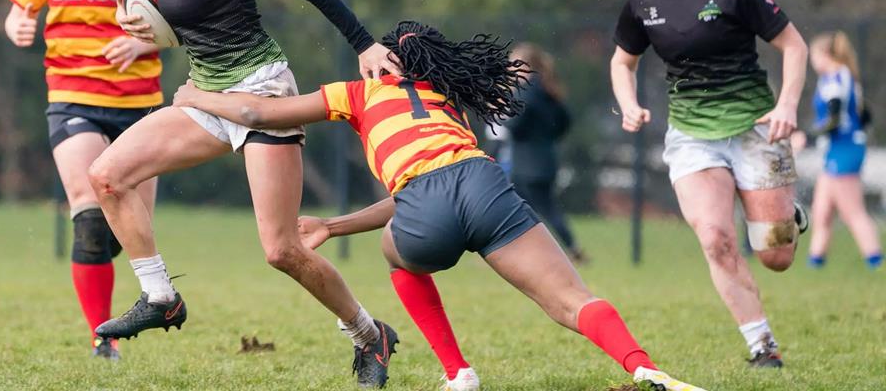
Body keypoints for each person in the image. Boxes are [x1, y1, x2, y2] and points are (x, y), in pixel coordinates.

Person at [172, 20, 709, 391]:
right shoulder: (444, 97)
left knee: (396, 254)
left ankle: (458, 372)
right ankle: (643, 368)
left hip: (425, 206)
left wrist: (197, 97)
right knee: (570, 299)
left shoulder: (358, 93)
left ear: (383, 60)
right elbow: (433, 182)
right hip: (485, 186)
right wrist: (334, 227)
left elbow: (260, 113)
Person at [87, 0, 401, 388]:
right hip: (205, 96)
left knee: (281, 250)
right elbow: (188, 15)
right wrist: (147, 34)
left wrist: (364, 44)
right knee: (107, 176)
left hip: (263, 89)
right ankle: (160, 295)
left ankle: (371, 336)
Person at [610, 0, 810, 368]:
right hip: (692, 136)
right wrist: (629, 104)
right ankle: (762, 347)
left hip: (755, 129)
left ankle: (790, 215)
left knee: (776, 257)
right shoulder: (644, 1)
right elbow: (623, 62)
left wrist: (786, 104)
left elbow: (796, 47)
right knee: (716, 238)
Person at [3, 0, 160, 361]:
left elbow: (182, 19)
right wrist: (18, 26)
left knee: (128, 224)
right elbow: (17, 13)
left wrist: (143, 42)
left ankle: (137, 294)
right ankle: (103, 337)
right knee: (90, 215)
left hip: (140, 105)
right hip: (72, 98)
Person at [792, 31, 881, 269]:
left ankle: (875, 261)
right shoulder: (838, 78)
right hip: (837, 150)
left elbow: (833, 121)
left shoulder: (836, 80)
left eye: (814, 56)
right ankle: (815, 264)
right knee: (822, 212)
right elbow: (865, 115)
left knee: (853, 211)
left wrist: (807, 138)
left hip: (845, 152)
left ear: (825, 55)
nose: (812, 61)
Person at [505, 42, 585, 262]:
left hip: (526, 165)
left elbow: (514, 125)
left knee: (525, 210)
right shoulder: (548, 89)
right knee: (544, 209)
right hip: (546, 160)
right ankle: (569, 248)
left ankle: (562, 251)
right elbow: (565, 120)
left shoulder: (525, 92)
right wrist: (547, 138)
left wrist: (504, 114)